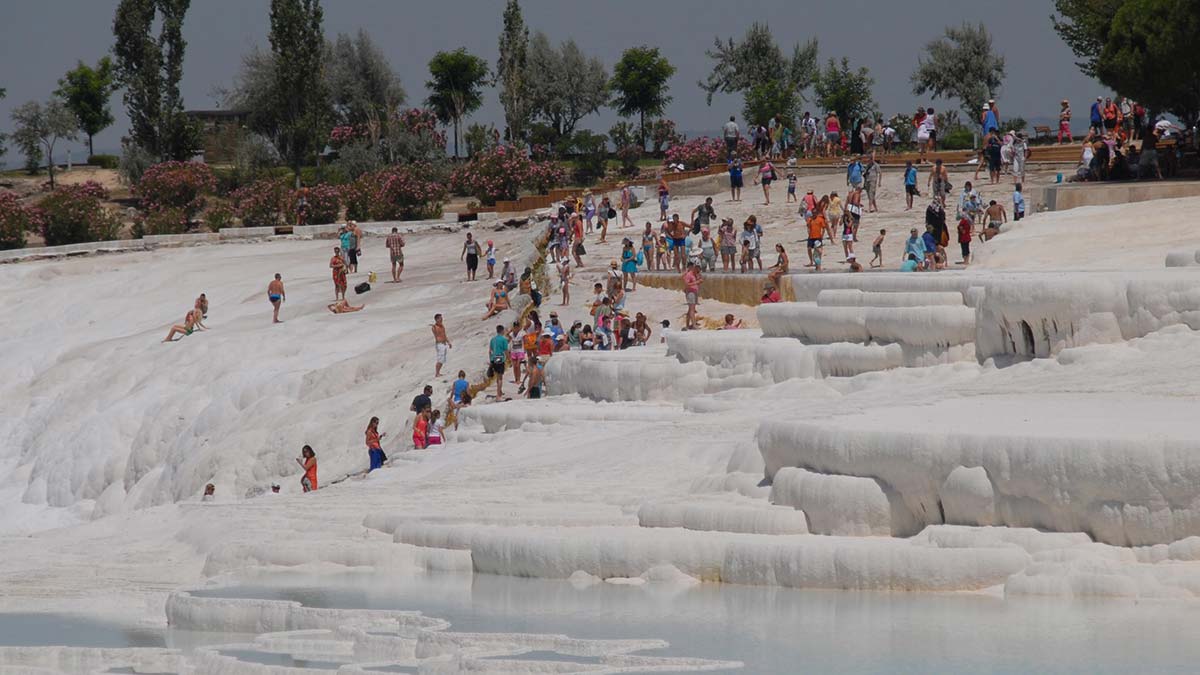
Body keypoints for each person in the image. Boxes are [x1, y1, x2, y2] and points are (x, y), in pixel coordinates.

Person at [488, 324, 509, 399]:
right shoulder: (503, 339)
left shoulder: (493, 339)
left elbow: (490, 351)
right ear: (502, 330)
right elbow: (506, 350)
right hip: (500, 358)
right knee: (500, 378)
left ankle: (499, 391)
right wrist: (509, 358)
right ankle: (498, 394)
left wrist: (491, 360)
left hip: (494, 359)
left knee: (497, 376)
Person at [682, 262, 702, 330]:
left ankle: (687, 325)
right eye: (698, 269)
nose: (699, 271)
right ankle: (693, 325)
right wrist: (697, 282)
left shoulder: (695, 274)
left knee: (690, 309)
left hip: (694, 292)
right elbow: (686, 284)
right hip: (690, 293)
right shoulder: (689, 274)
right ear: (694, 268)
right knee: (692, 309)